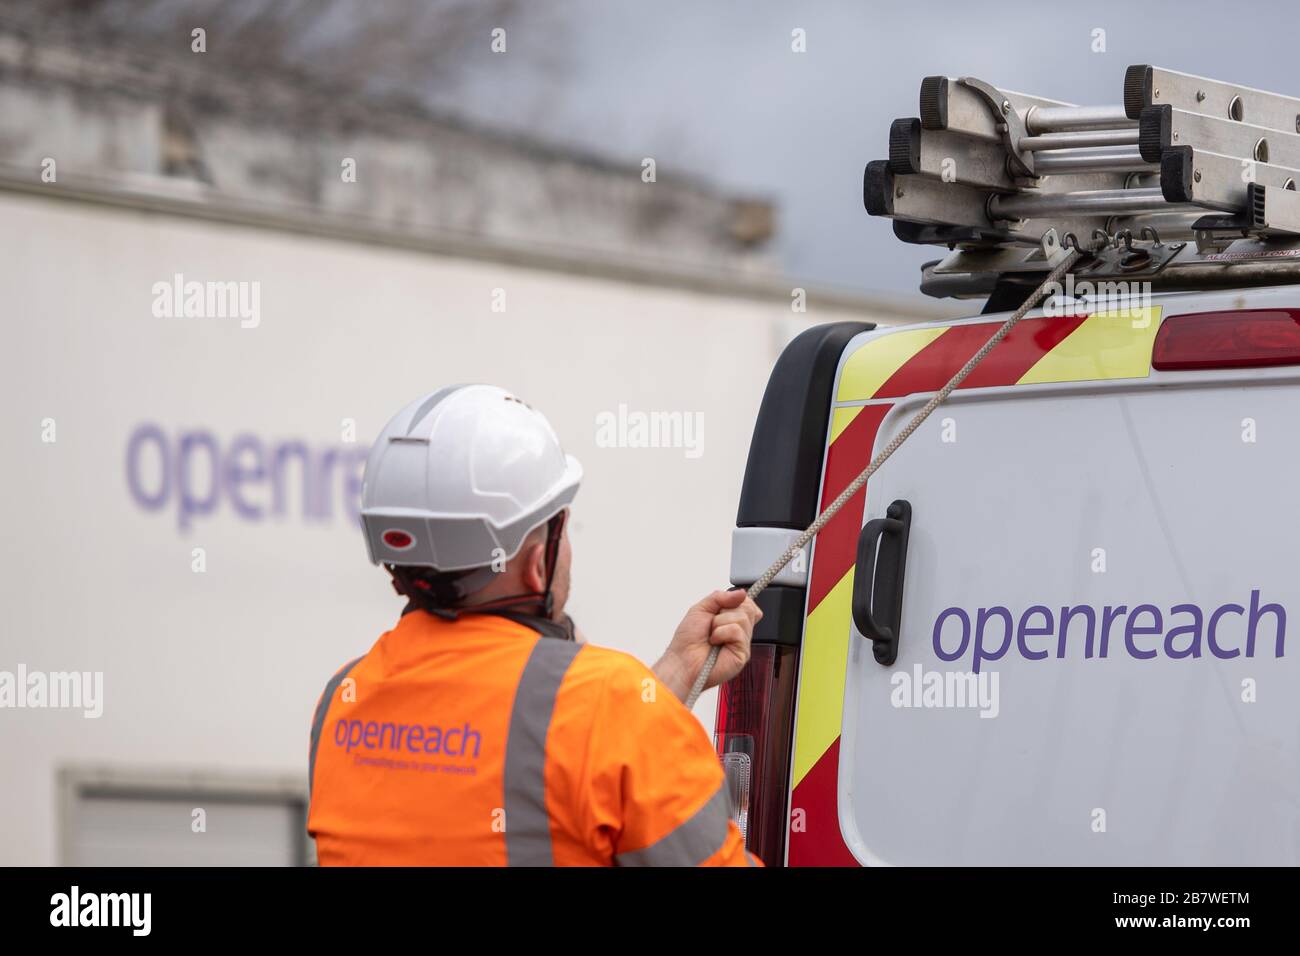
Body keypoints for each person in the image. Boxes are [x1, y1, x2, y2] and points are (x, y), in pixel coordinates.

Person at [307, 384, 763, 866]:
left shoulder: (343, 699)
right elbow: (582, 746)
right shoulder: (614, 708)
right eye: (561, 526)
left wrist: (675, 671)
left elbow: (542, 757)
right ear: (533, 562)